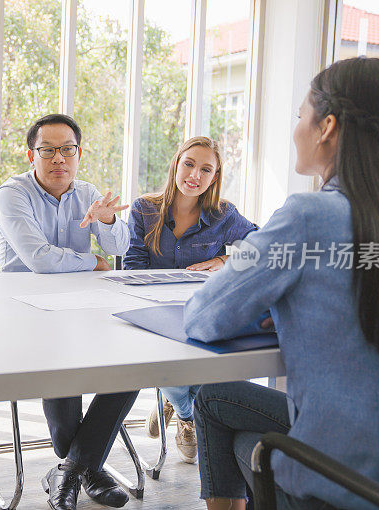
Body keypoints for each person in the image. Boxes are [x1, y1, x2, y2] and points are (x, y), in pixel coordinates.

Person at [186, 57, 379, 509]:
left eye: (299, 116)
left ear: (326, 126)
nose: (296, 129)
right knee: (218, 398)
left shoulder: (309, 216)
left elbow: (205, 316)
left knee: (212, 404)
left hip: (350, 487)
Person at [0, 113, 137, 510]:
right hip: (27, 315)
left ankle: (70, 470)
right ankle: (84, 466)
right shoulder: (12, 193)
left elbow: (119, 248)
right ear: (32, 155)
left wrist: (107, 220)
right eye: (48, 150)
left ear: (79, 153)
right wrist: (91, 263)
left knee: (136, 363)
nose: (59, 158)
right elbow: (38, 259)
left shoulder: (87, 192)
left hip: (86, 312)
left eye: (67, 150)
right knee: (63, 435)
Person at [123, 136, 257, 464]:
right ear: (176, 163)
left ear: (215, 177)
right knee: (167, 356)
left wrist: (226, 261)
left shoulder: (224, 215)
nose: (195, 175)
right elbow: (133, 267)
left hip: (202, 312)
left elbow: (263, 244)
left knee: (214, 357)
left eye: (206, 169)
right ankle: (186, 415)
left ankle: (173, 401)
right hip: (154, 313)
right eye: (189, 164)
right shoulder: (144, 209)